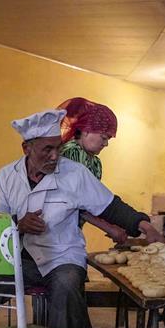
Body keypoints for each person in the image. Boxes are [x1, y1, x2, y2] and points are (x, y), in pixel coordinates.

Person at [0, 109, 162, 328]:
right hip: (21, 257)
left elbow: (109, 206)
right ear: (26, 148)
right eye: (47, 149)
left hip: (62, 256)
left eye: (57, 147)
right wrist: (18, 224)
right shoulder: (6, 176)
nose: (55, 156)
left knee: (68, 286)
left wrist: (144, 225)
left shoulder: (75, 174)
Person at [56, 97, 130, 244]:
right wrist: (108, 228)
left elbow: (94, 201)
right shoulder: (71, 153)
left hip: (71, 235)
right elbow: (74, 203)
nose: (106, 143)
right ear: (86, 130)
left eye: (108, 139)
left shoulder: (95, 162)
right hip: (56, 235)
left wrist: (114, 223)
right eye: (103, 137)